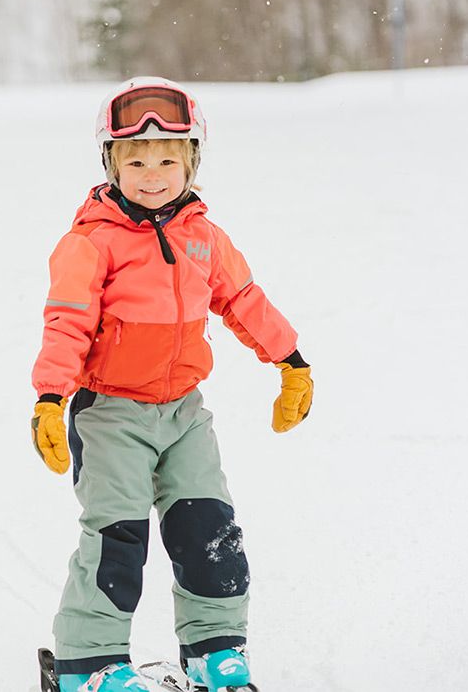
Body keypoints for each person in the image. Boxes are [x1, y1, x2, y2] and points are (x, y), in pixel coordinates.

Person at [29, 77, 314, 692]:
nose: (151, 173)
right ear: (110, 162)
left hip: (185, 413)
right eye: (135, 160)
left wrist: (290, 361)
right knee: (117, 539)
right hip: (110, 414)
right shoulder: (89, 243)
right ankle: (90, 662)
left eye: (167, 159)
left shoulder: (202, 236)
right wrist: (51, 398)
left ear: (192, 162)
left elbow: (242, 299)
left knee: (209, 529)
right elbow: (67, 322)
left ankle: (215, 650)